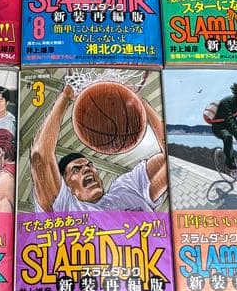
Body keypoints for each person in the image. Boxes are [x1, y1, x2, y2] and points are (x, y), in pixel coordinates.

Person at [30, 82, 167, 213]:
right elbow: (40, 155)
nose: (87, 169)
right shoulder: (65, 209)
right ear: (66, 186)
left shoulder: (128, 188)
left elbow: (173, 156)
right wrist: (65, 97)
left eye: (89, 165)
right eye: (76, 170)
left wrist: (141, 102)